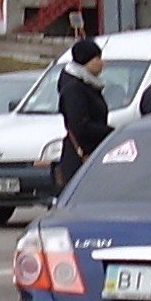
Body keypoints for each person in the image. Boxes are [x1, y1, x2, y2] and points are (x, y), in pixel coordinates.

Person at [55, 37, 112, 190]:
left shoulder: (89, 84)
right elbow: (80, 125)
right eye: (97, 58)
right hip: (80, 155)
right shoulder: (74, 89)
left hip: (92, 152)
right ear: (86, 61)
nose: (102, 62)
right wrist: (111, 132)